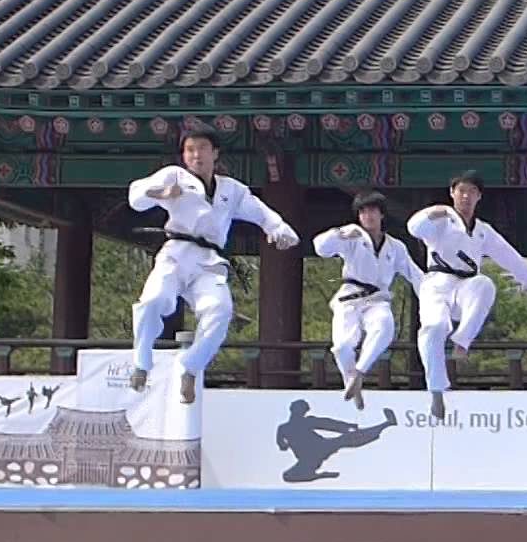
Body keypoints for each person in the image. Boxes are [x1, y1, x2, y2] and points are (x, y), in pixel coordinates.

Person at [127, 125, 298, 403]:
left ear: (215, 153)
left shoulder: (231, 189)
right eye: (190, 150)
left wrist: (279, 230)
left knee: (220, 311)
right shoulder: (175, 176)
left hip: (209, 262)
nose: (196, 155)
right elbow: (136, 198)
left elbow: (261, 212)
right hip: (176, 254)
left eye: (202, 148)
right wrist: (160, 193)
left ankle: (191, 367)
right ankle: (142, 362)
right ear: (184, 155)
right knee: (153, 300)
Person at [408, 173, 527, 418]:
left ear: (479, 196)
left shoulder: (483, 231)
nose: (466, 196)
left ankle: (462, 341)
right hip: (437, 284)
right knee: (434, 327)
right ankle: (437, 390)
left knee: (485, 284)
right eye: (461, 191)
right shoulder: (441, 222)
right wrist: (434, 212)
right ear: (452, 193)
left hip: (466, 287)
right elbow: (414, 228)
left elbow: (511, 260)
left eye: (471, 191)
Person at [311, 192, 422, 411]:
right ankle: (352, 381)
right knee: (342, 346)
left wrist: (435, 300)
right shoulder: (352, 237)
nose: (367, 216)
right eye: (362, 212)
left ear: (381, 214)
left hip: (377, 299)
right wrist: (339, 234)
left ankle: (359, 372)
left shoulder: (396, 247)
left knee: (384, 326)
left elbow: (415, 275)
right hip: (349, 298)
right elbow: (321, 248)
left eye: (372, 210)